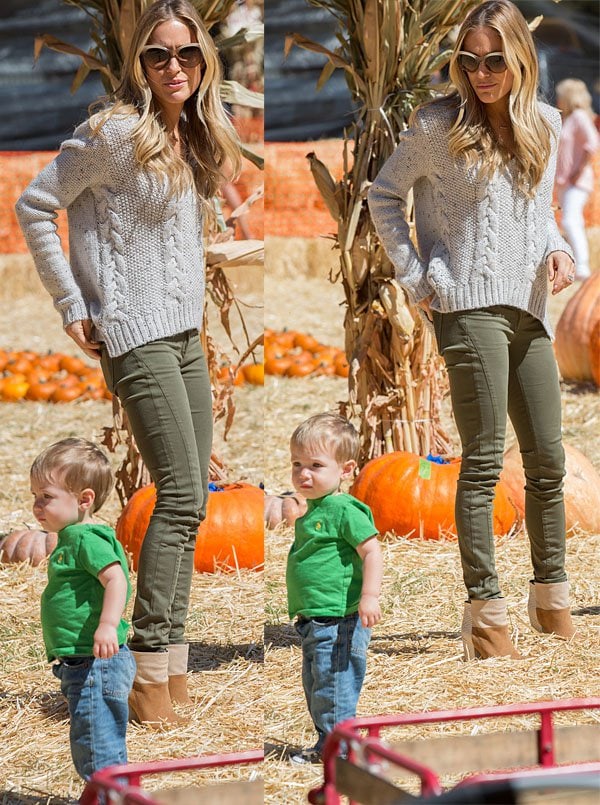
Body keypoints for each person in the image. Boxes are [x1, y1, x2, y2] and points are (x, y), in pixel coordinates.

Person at [16, 0, 241, 724]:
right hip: (134, 335)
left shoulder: (189, 136)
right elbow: (34, 203)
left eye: (187, 54)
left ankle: (169, 668)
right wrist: (72, 301)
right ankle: (146, 672)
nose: (175, 67)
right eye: (158, 55)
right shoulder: (112, 131)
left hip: (183, 335)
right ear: (138, 64)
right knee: (178, 493)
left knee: (192, 498)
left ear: (204, 61)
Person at [368, 0, 576, 660]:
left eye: (494, 61)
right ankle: (485, 616)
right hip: (467, 306)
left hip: (530, 305)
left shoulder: (546, 121)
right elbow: (383, 197)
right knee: (484, 457)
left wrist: (560, 244)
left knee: (547, 458)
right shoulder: (437, 124)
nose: (481, 73)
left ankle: (551, 597)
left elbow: (537, 212)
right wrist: (419, 274)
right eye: (469, 60)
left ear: (520, 60)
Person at [30, 438, 134, 780]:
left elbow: (117, 580)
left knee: (97, 745)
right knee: (91, 741)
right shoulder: (71, 537)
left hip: (96, 664)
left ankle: (109, 796)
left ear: (84, 499)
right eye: (35, 497)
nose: (37, 506)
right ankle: (107, 795)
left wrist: (107, 624)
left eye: (46, 497)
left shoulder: (86, 539)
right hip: (83, 663)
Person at [286, 413, 383, 764]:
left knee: (334, 687)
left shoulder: (344, 509)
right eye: (297, 463)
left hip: (340, 619)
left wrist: (369, 596)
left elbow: (371, 550)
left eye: (315, 465)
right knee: (316, 685)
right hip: (315, 620)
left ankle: (338, 752)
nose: (303, 473)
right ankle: (328, 742)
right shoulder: (313, 509)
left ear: (345, 470)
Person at [554, 78, 600, 281]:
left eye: (560, 96)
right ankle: (574, 266)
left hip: (577, 181)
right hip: (567, 181)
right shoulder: (569, 118)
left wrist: (579, 170)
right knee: (571, 221)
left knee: (571, 221)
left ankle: (582, 267)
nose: (558, 100)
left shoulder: (580, 117)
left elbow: (593, 143)